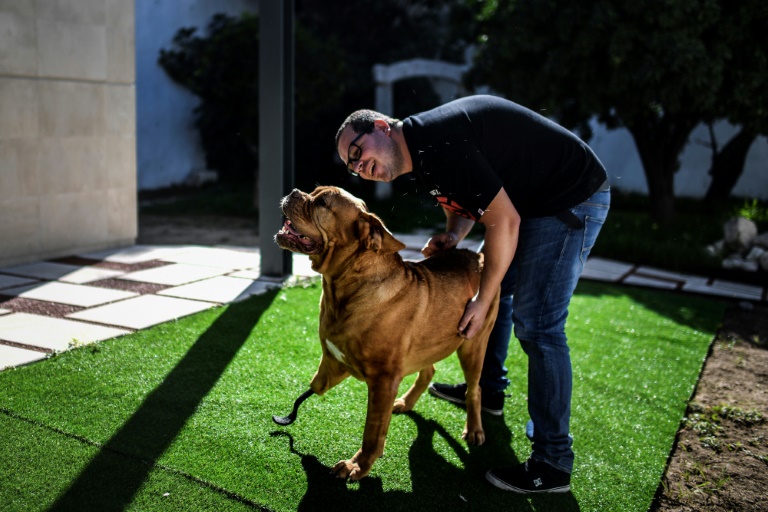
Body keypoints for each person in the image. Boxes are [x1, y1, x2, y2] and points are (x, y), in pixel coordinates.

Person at [334, 95, 610, 494]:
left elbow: (504, 222)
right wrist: (454, 234)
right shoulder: (420, 152)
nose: (359, 167)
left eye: (357, 152)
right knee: (497, 291)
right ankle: (488, 390)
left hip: (570, 197)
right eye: (351, 165)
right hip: (530, 202)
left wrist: (483, 299)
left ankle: (552, 464)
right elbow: (465, 199)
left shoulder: (439, 143)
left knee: (537, 325)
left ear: (380, 125)